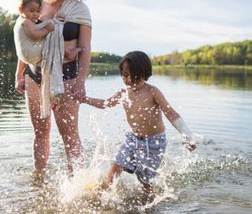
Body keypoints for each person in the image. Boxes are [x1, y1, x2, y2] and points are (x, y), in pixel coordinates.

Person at [75, 51, 196, 194]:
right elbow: (105, 103)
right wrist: (84, 99)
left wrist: (187, 135)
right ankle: (106, 195)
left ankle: (149, 205)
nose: (128, 80)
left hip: (154, 143)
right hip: (133, 139)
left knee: (145, 181)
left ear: (144, 74)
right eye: (124, 75)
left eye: (133, 76)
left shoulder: (152, 92)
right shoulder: (124, 93)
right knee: (115, 166)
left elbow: (171, 113)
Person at [14, 0, 92, 173]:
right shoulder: (38, 6)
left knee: (69, 134)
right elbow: (27, 42)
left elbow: (85, 49)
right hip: (34, 74)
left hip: (66, 76)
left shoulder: (80, 10)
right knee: (40, 133)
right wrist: (19, 74)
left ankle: (77, 184)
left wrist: (81, 82)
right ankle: (38, 181)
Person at [13, 0, 81, 68]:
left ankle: (64, 53)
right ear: (21, 10)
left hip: (24, 56)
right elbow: (34, 35)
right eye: (31, 11)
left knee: (48, 43)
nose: (35, 14)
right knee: (51, 41)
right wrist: (46, 30)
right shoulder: (26, 22)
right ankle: (67, 52)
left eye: (38, 11)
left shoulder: (20, 21)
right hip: (31, 53)